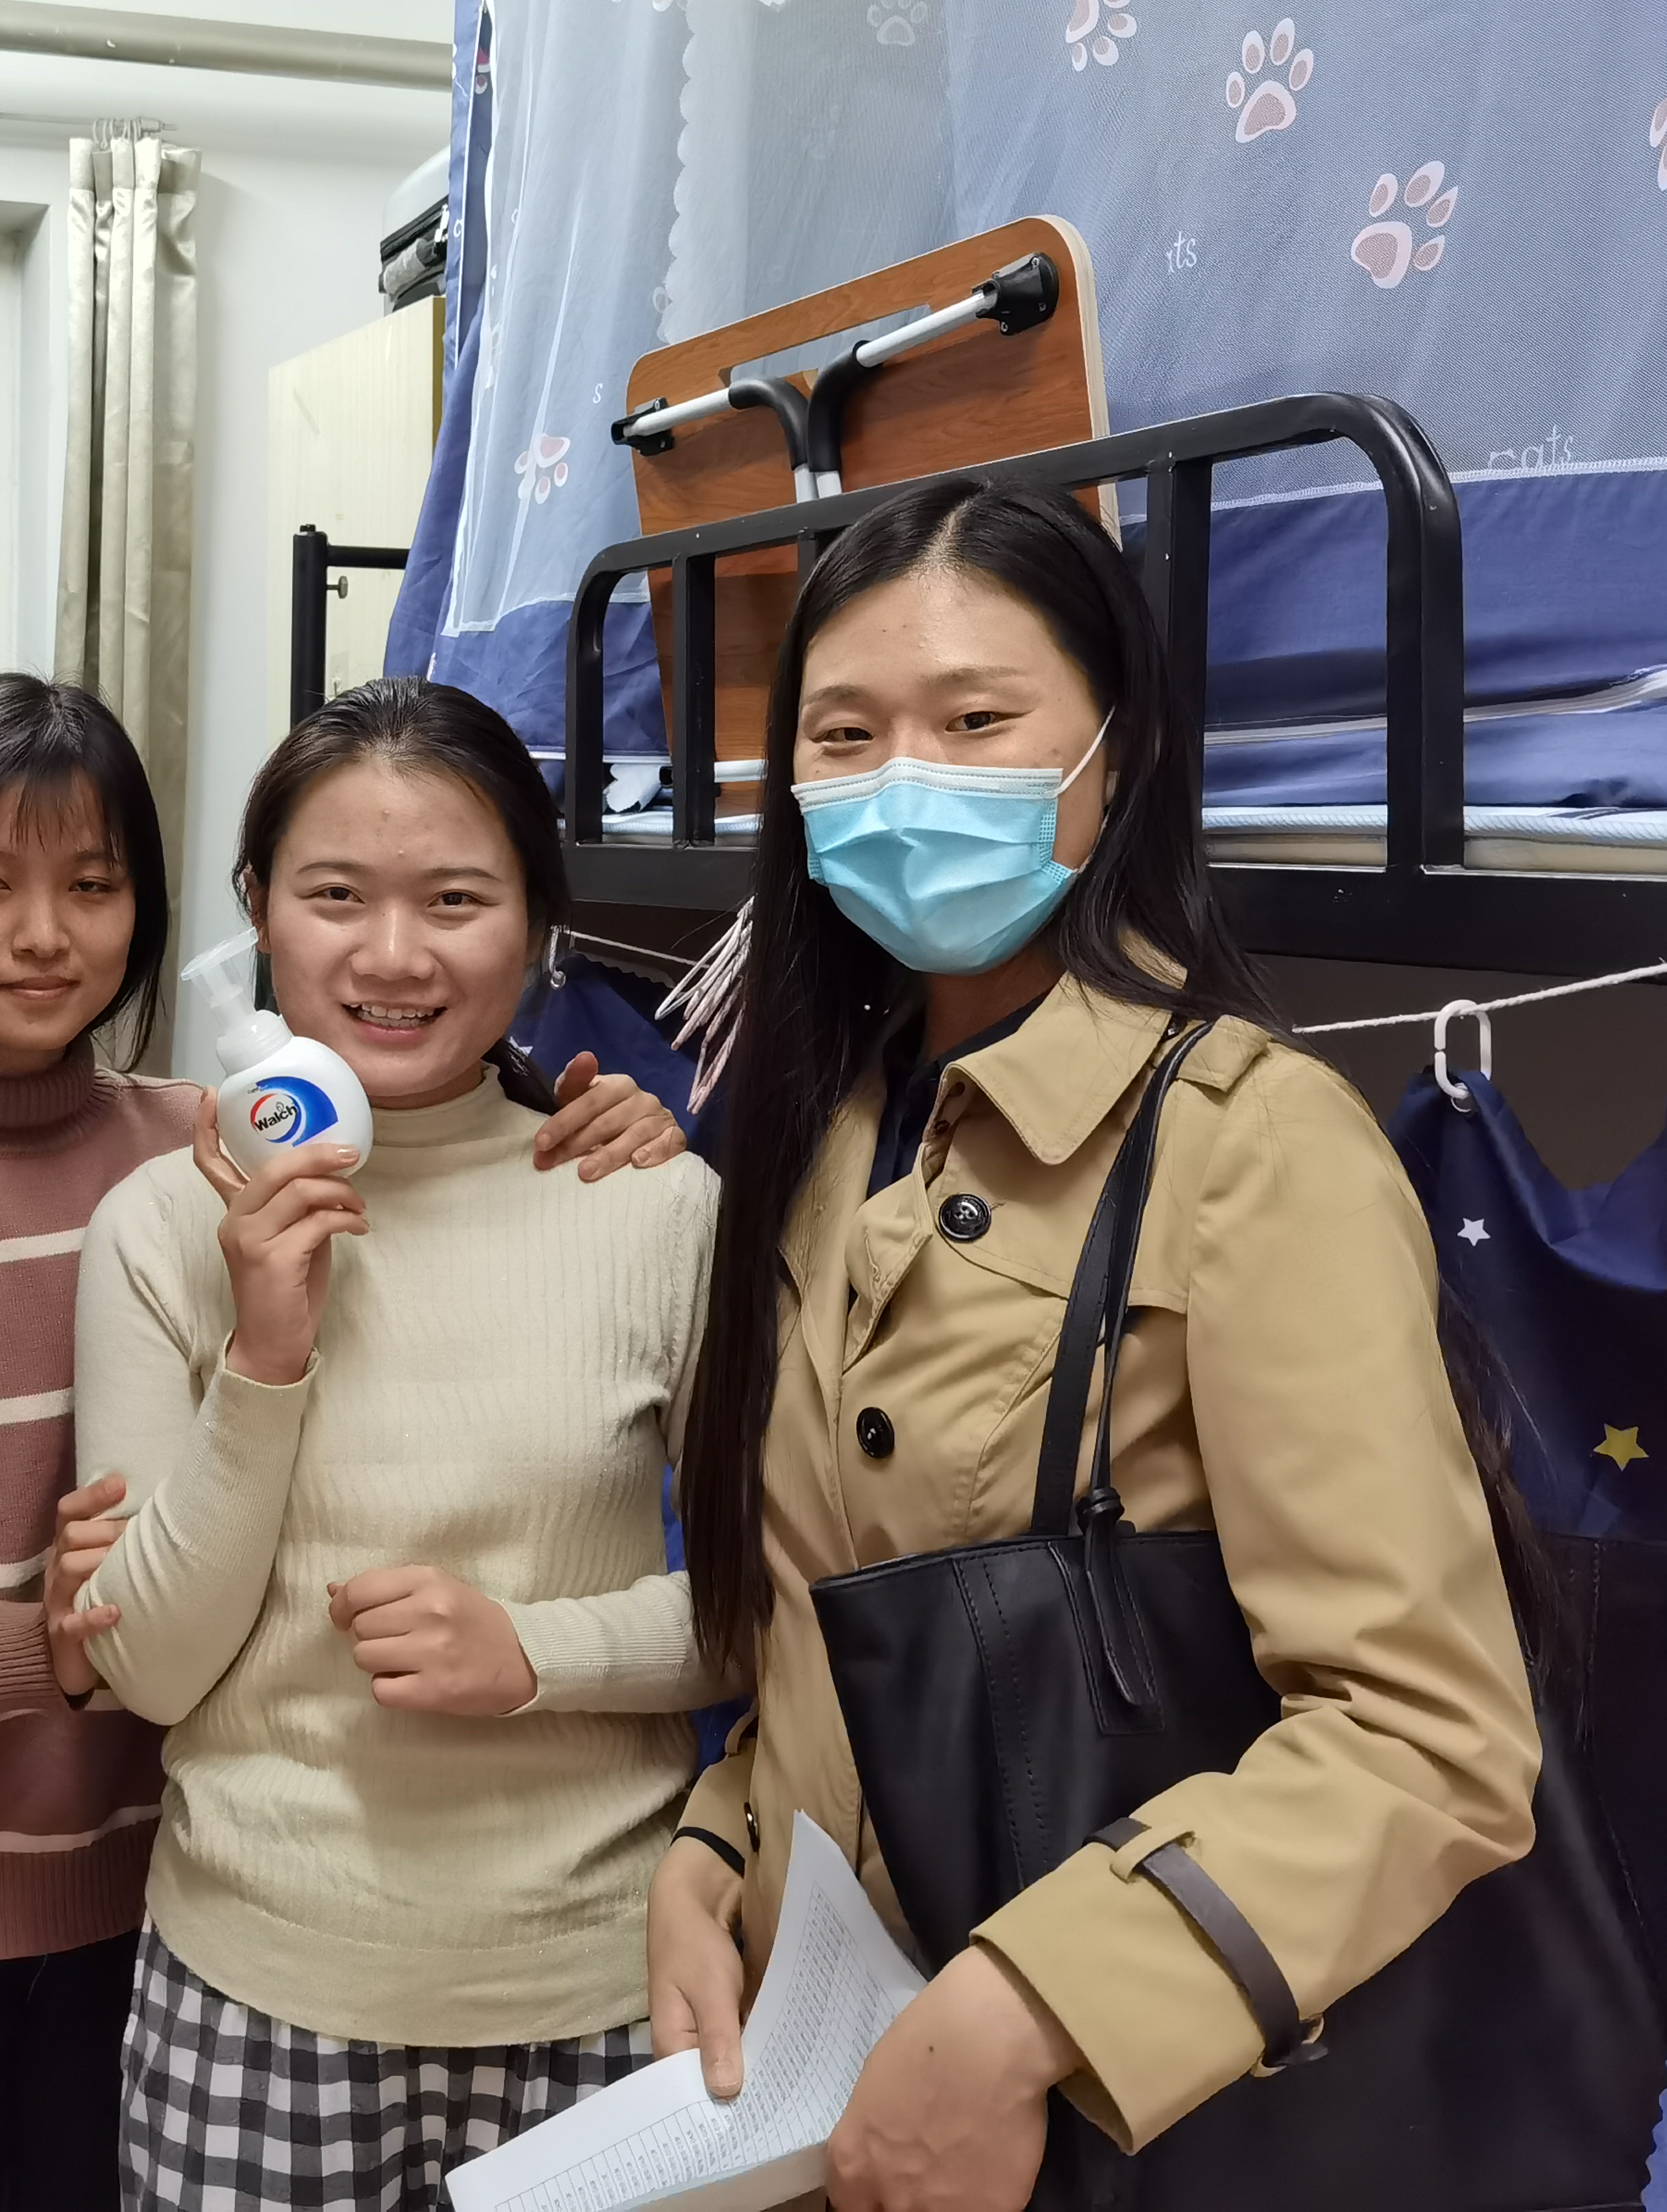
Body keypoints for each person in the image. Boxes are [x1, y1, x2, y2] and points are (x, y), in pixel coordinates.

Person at [644, 480, 1538, 2212]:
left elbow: (1424, 1737)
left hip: (1115, 2110)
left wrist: (1026, 2009)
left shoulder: (1247, 1144)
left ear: (1114, 759)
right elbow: (825, 1619)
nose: (905, 782)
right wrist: (710, 1846)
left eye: (976, 722)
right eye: (846, 736)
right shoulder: (819, 1128)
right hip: (821, 2075)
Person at [0, 672, 683, 2212]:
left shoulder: (209, 1141)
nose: (43, 935)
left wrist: (604, 1123)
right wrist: (42, 1641)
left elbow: (415, 1123)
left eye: (90, 887)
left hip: (156, 1876)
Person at [62, 677, 722, 2211]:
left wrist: (535, 1653)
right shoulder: (157, 1226)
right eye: (336, 896)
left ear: (538, 921)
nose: (393, 956)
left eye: (456, 900)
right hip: (254, 1994)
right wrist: (264, 1358)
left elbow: (775, 1613)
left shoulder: (653, 1202)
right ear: (257, 911)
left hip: (599, 1992)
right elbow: (143, 1668)